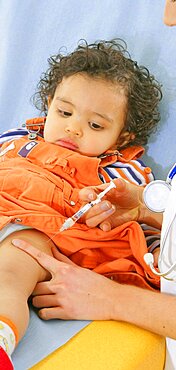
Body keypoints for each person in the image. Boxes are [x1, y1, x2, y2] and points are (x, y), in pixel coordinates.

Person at [10, 0, 176, 369]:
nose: (168, 17)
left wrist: (113, 298)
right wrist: (148, 208)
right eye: (64, 111)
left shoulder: (117, 167)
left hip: (36, 234)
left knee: (17, 259)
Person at [0, 38, 163, 369]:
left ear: (122, 137)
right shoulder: (16, 138)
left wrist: (158, 251)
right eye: (63, 112)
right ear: (48, 104)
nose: (72, 128)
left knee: (11, 269)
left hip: (41, 229)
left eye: (95, 125)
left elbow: (144, 219)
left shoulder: (121, 170)